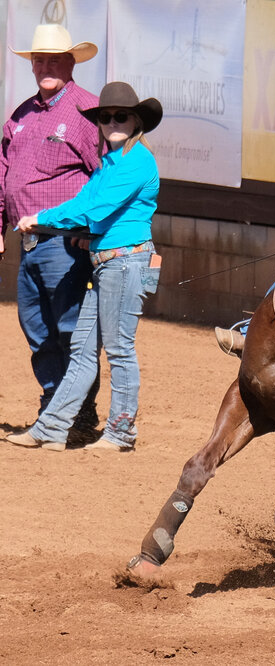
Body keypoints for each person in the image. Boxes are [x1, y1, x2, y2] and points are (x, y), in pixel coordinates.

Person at [6, 82, 162, 452]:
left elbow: (96, 208)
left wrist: (41, 218)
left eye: (121, 116)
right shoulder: (110, 162)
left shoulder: (137, 160)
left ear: (136, 121)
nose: (112, 123)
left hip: (125, 262)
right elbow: (86, 203)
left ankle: (121, 432)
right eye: (105, 117)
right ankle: (52, 428)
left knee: (119, 349)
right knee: (82, 348)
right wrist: (81, 233)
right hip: (110, 263)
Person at [0, 24, 102, 441]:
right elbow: (3, 173)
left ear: (71, 63)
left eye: (54, 60)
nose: (44, 66)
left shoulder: (88, 112)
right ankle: (52, 408)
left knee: (69, 328)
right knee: (37, 330)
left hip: (65, 242)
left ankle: (78, 414)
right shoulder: (21, 115)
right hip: (27, 242)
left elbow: (106, 176)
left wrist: (93, 228)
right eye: (38, 60)